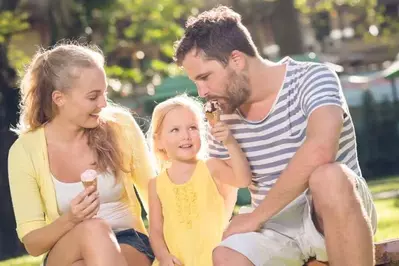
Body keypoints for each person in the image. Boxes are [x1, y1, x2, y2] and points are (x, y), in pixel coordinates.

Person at [174, 6, 377, 266]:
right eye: (196, 82)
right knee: (226, 255)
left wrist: (256, 216)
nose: (201, 92)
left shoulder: (313, 77)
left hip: (331, 213)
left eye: (205, 77)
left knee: (329, 176)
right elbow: (228, 181)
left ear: (236, 59)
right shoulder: (221, 114)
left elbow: (320, 149)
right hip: (275, 229)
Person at [8, 43, 155, 266]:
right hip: (66, 246)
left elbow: (154, 195)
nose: (103, 103)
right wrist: (72, 219)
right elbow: (33, 244)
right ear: (59, 99)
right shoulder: (25, 151)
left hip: (128, 241)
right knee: (93, 229)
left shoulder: (120, 126)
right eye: (93, 96)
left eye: (104, 93)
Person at [147, 94, 252, 266]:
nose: (186, 136)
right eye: (175, 130)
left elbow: (243, 180)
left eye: (192, 128)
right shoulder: (156, 184)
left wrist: (230, 142)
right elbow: (156, 231)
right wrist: (164, 257)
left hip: (213, 261)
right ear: (159, 141)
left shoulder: (211, 167)